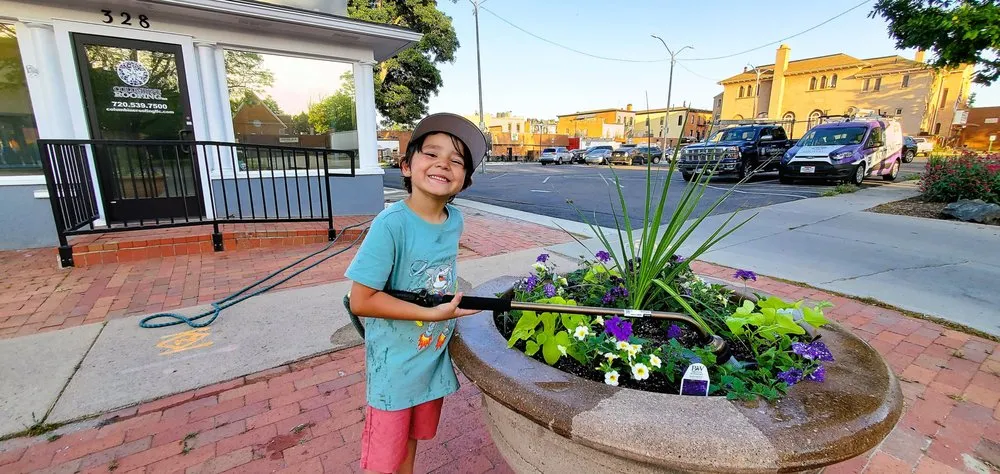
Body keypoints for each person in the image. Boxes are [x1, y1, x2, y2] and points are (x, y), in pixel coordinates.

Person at [345, 112, 488, 474]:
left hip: (429, 356)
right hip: (394, 365)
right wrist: (431, 314)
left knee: (409, 443)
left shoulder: (454, 220)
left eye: (456, 160)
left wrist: (453, 305)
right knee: (385, 458)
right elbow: (363, 300)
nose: (444, 163)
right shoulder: (391, 225)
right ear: (407, 167)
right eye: (432, 153)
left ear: (464, 182)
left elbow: (438, 277)